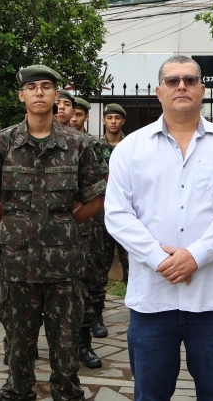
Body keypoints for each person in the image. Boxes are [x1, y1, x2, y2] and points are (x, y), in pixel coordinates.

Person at [104, 55, 213, 401]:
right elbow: (118, 214)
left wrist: (195, 256)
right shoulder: (130, 149)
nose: (181, 86)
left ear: (203, 89)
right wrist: (160, 259)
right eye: (172, 81)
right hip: (152, 299)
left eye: (190, 80)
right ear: (159, 91)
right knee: (150, 394)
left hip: (210, 300)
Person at [0, 65, 106, 401]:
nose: (39, 92)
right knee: (18, 334)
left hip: (64, 261)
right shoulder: (2, 142)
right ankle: (17, 390)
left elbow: (96, 197)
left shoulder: (77, 144)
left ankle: (67, 391)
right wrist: (16, 224)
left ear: (56, 95)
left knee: (65, 336)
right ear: (21, 95)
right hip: (16, 260)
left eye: (46, 86)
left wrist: (65, 223)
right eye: (32, 87)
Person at [62, 94, 108, 367]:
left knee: (84, 284)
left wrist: (74, 217)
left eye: (68, 105)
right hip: (36, 232)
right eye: (59, 104)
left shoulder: (88, 144)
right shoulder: (22, 142)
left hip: (81, 226)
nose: (62, 109)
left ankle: (83, 343)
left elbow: (101, 184)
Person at [98, 103, 129, 290]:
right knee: (101, 260)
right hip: (100, 209)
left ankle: (132, 300)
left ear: (123, 121)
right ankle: (97, 304)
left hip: (125, 209)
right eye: (109, 118)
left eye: (117, 118)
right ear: (103, 120)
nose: (113, 122)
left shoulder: (130, 145)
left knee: (129, 260)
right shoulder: (95, 146)